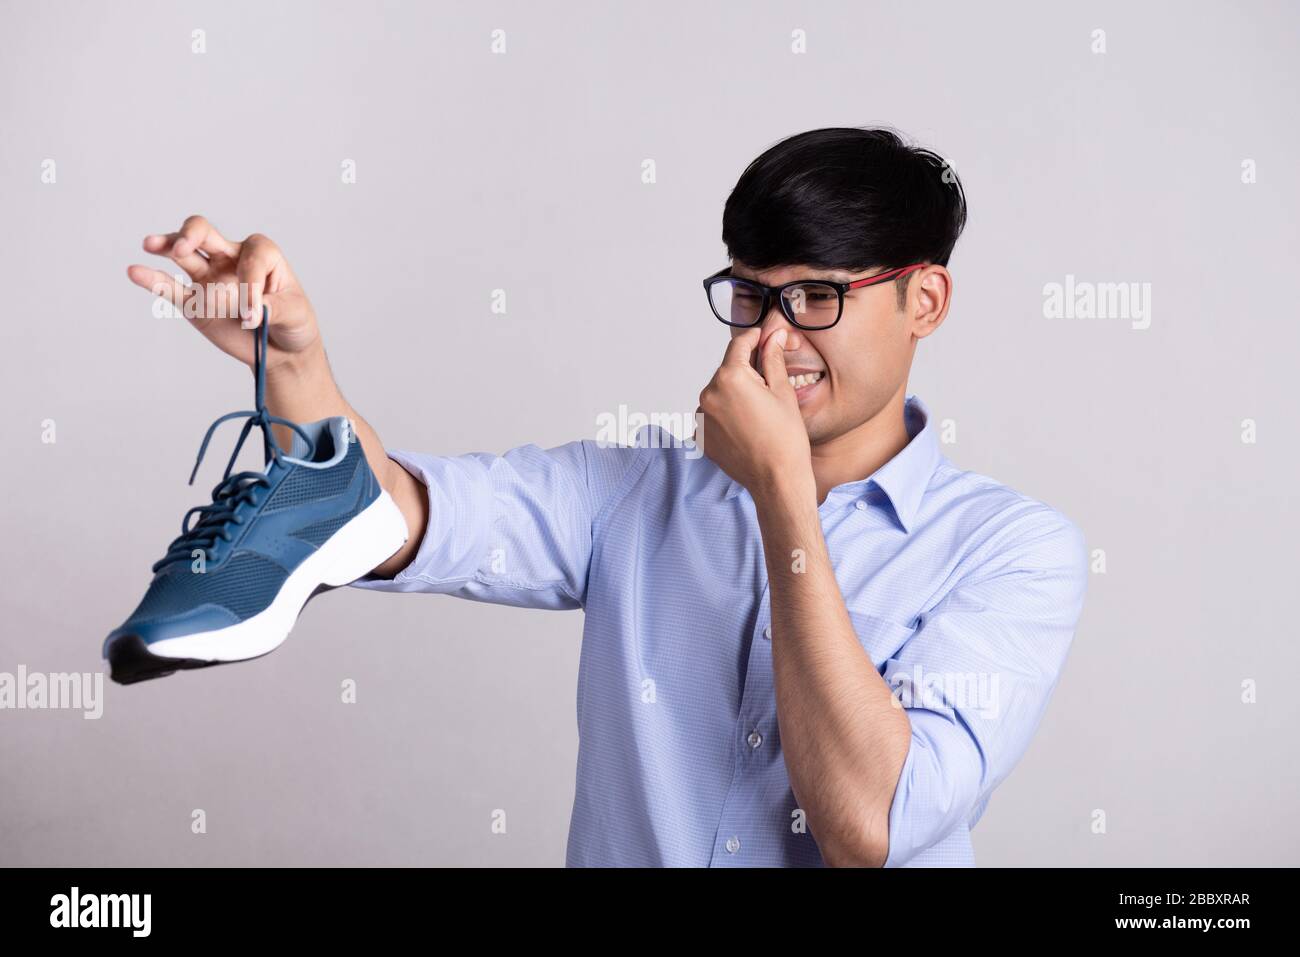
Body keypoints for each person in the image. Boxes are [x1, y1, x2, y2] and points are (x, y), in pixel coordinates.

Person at [125, 126, 1088, 867]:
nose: (772, 341)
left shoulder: (1013, 551)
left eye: (819, 298)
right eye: (752, 296)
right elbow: (387, 515)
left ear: (925, 301)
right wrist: (296, 358)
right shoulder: (631, 491)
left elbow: (868, 825)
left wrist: (781, 494)